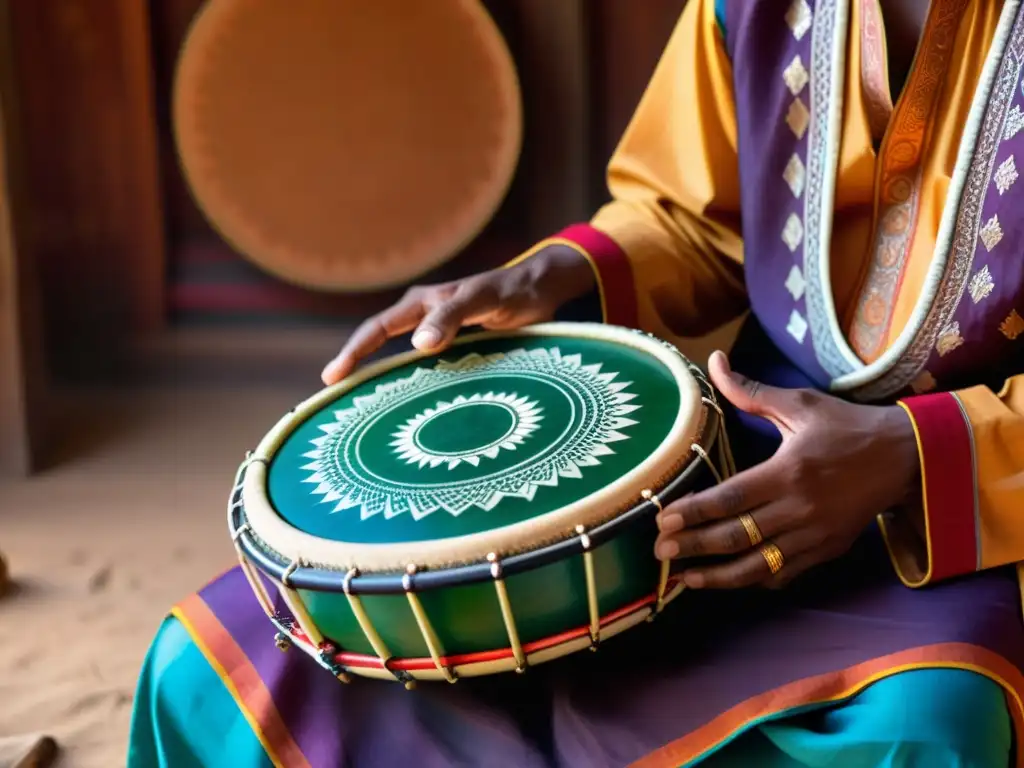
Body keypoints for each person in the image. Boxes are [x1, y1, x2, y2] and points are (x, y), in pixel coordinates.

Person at [129, 0, 1024, 765]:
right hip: (735, 450)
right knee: (214, 668)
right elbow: (695, 218)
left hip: (976, 506)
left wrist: (912, 458)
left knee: (925, 732)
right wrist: (549, 276)